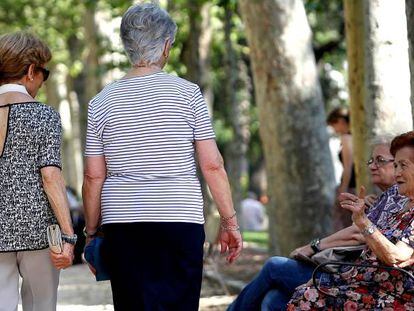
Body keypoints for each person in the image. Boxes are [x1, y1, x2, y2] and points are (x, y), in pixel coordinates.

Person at [82, 3, 242, 310]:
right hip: (179, 216)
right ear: (166, 45)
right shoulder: (188, 93)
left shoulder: (100, 102)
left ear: (126, 45)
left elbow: (93, 177)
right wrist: (229, 221)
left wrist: (91, 234)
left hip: (123, 221)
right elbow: (212, 164)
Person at [227, 136, 402, 311]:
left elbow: (358, 235)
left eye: (380, 160)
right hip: (348, 272)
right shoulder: (385, 198)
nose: (372, 166)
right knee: (274, 299)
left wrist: (313, 247)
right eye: (371, 160)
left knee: (274, 267)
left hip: (355, 280)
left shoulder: (399, 199)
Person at [286, 131, 414, 310]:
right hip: (359, 281)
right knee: (289, 294)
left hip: (389, 294)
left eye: (403, 166)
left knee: (297, 289)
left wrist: (363, 223)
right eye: (396, 165)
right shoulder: (399, 202)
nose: (397, 172)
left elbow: (397, 258)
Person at [0, 32, 75, 311]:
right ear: (31, 71)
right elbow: (51, 177)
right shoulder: (44, 115)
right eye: (45, 72)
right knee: (41, 306)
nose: (43, 81)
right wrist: (68, 236)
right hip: (38, 234)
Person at [327, 107, 356, 230]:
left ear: (340, 121)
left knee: (342, 224)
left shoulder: (346, 138)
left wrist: (342, 190)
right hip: (354, 186)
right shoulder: (355, 137)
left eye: (333, 125)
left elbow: (348, 167)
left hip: (350, 186)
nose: (334, 129)